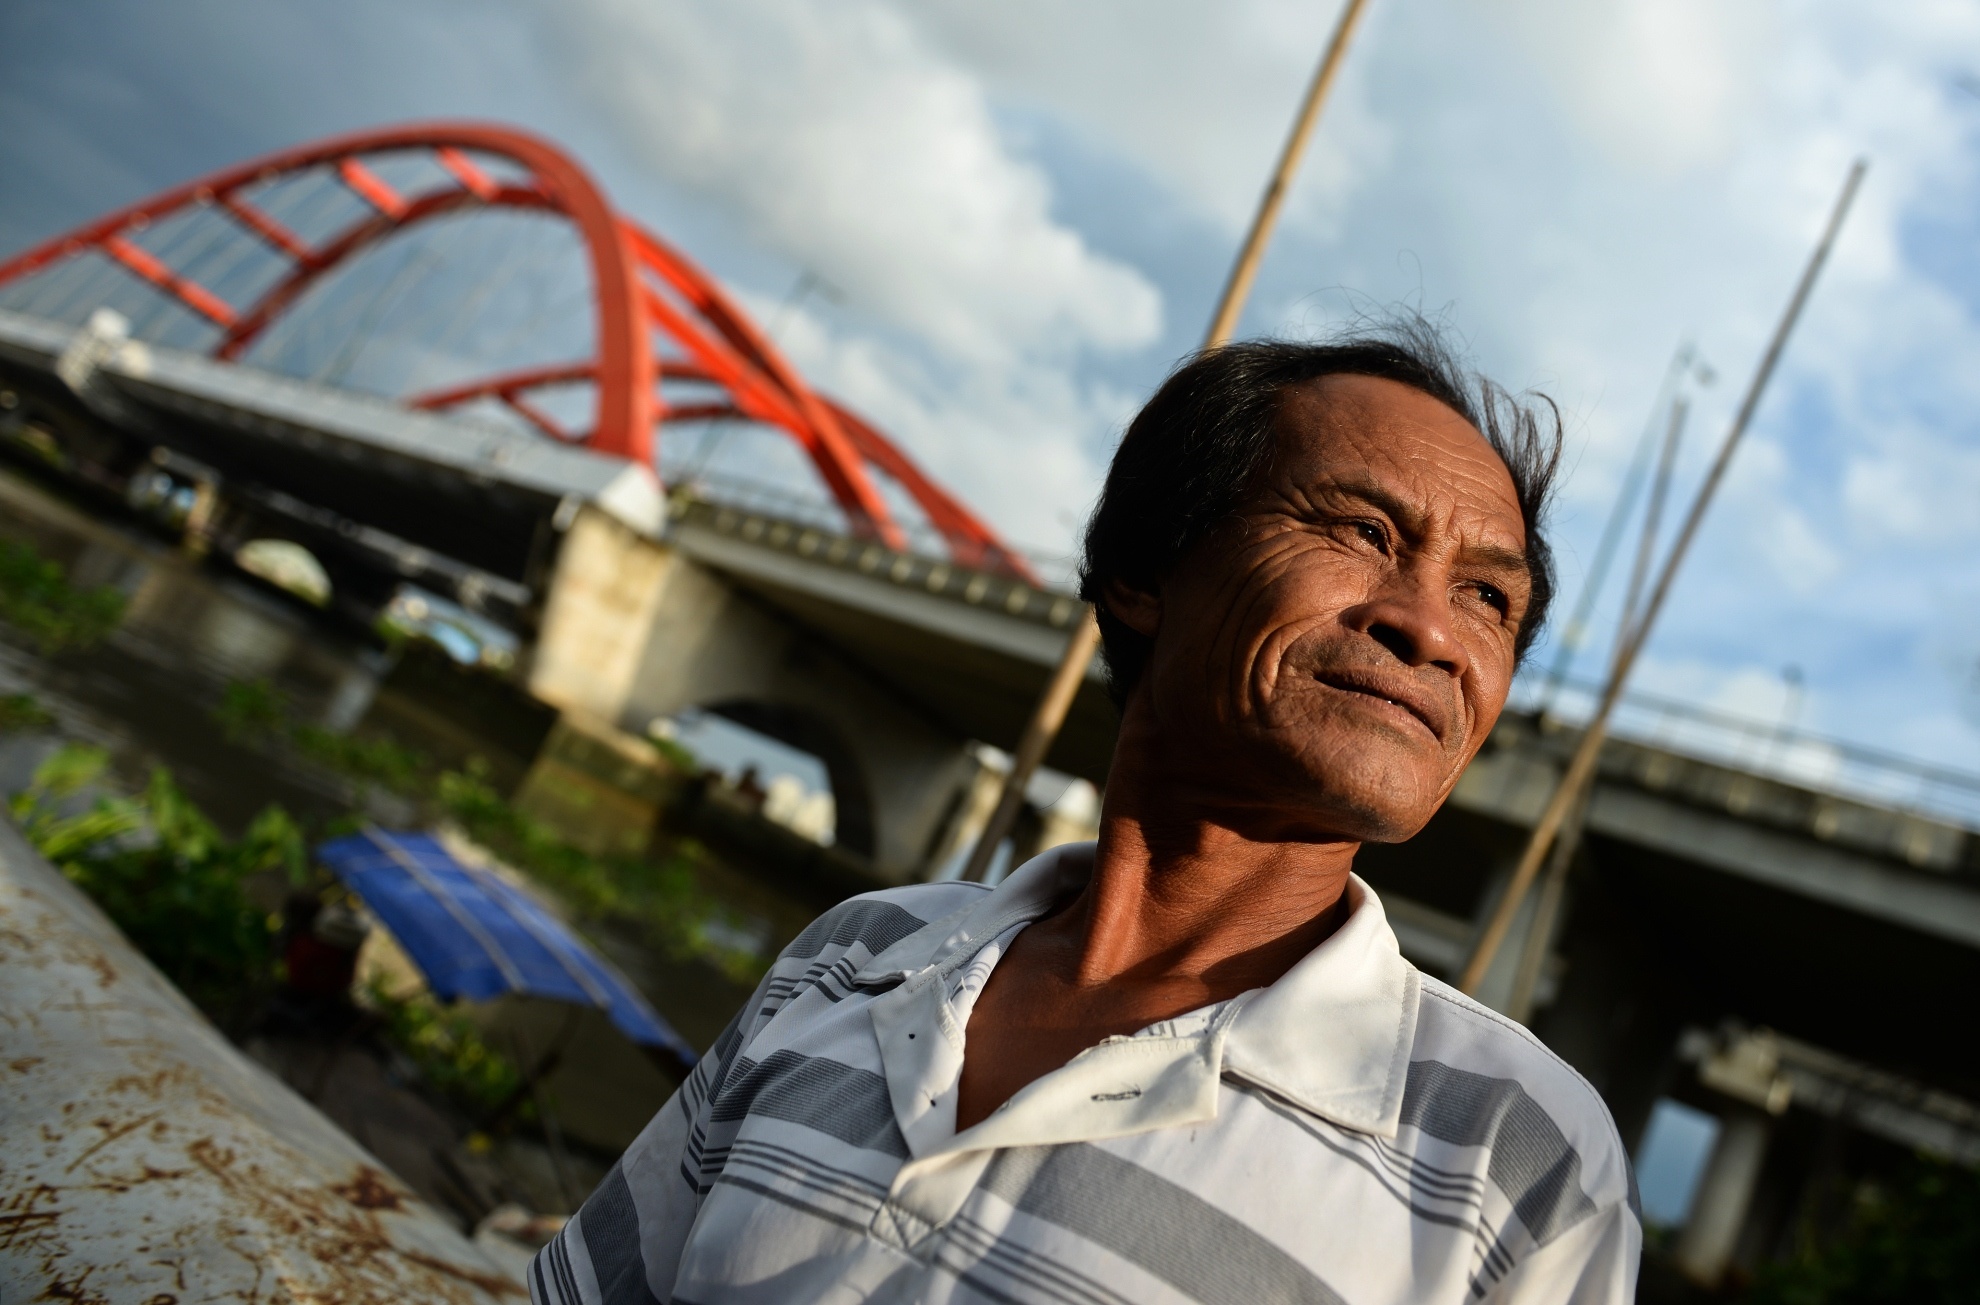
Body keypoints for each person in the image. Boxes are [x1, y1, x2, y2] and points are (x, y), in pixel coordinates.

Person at [530, 324, 1639, 1304]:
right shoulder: (857, 957)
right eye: (1359, 532)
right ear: (1145, 572)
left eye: (1489, 597)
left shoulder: (1522, 1167)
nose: (1432, 631)